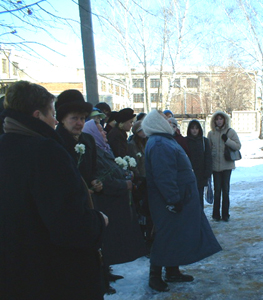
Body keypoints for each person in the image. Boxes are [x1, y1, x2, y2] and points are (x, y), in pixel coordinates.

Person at [0, 81, 107, 300]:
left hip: (16, 273)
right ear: (38, 115)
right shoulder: (46, 151)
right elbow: (69, 224)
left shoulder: (6, 146)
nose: (55, 120)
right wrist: (98, 220)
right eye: (52, 113)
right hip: (54, 274)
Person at [141, 109, 222, 292]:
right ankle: (155, 275)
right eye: (164, 118)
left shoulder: (163, 140)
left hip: (178, 198)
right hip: (169, 201)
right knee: (165, 237)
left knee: (174, 236)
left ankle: (172, 271)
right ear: (156, 123)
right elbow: (164, 176)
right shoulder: (160, 143)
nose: (169, 121)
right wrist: (173, 199)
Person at [83, 120, 147, 294]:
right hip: (107, 203)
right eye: (100, 132)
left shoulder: (103, 149)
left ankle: (107, 273)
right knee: (106, 241)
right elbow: (101, 179)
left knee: (110, 242)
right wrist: (122, 184)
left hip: (115, 202)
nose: (104, 133)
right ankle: (104, 278)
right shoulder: (93, 152)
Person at [55, 89, 103, 192]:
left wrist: (95, 181)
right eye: (74, 118)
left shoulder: (88, 140)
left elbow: (94, 169)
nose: (80, 123)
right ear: (62, 119)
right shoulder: (54, 142)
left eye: (82, 118)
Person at [207, 111, 241, 222]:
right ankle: (216, 215)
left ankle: (225, 214)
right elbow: (208, 149)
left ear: (225, 120)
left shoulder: (230, 132)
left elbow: (237, 146)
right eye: (217, 119)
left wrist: (227, 140)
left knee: (225, 191)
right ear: (214, 121)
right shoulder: (211, 133)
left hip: (227, 166)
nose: (219, 121)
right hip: (215, 167)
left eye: (221, 119)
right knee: (217, 191)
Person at [127, 120, 153, 250]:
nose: (144, 132)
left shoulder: (148, 142)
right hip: (140, 180)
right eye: (141, 130)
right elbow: (133, 163)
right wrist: (138, 177)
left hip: (148, 178)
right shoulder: (132, 145)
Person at [186, 119, 213, 209]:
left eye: (196, 128)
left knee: (199, 198)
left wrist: (207, 172)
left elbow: (208, 157)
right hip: (189, 174)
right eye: (192, 128)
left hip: (201, 174)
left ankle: (200, 218)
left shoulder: (204, 141)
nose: (194, 130)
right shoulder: (186, 141)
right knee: (190, 198)